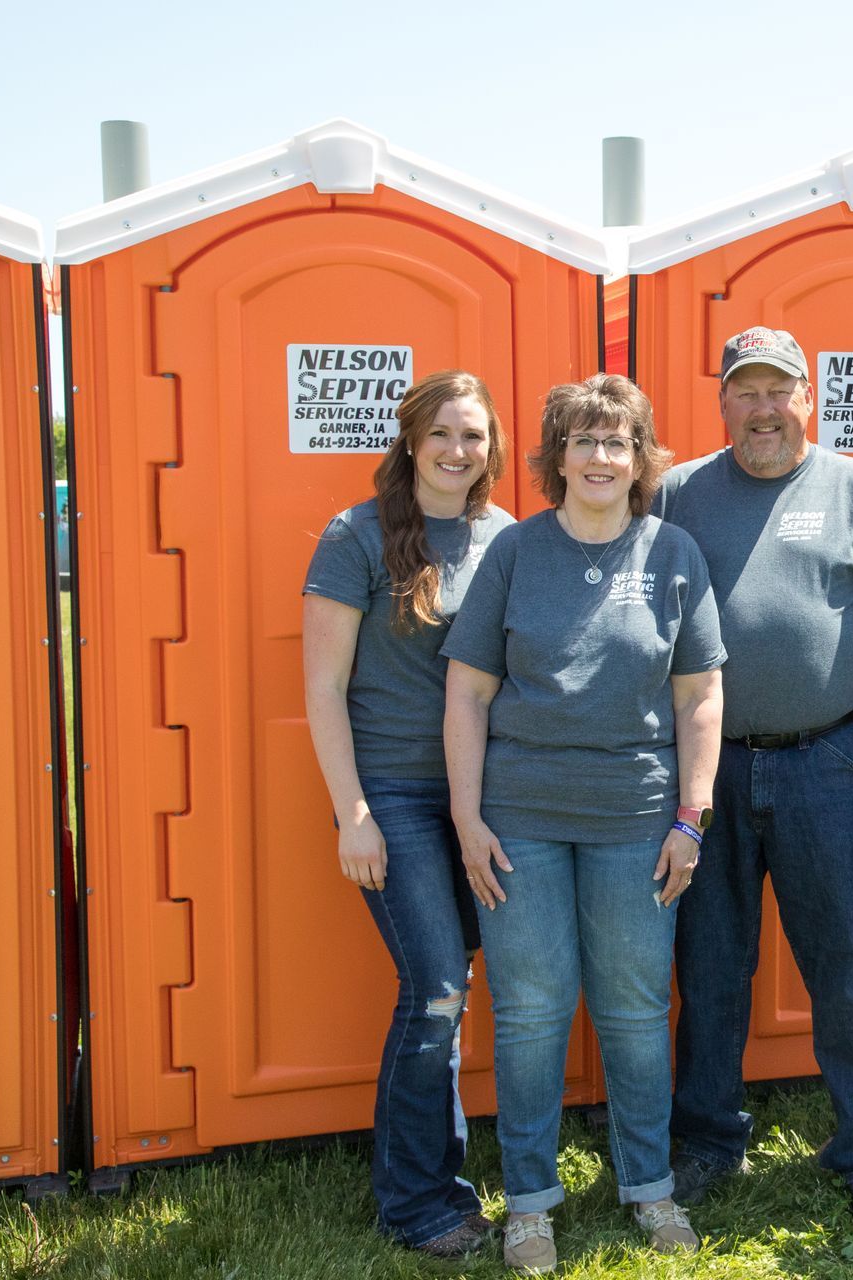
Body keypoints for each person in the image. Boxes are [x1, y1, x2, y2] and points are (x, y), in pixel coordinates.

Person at [441, 374, 726, 1274]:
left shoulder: (673, 551)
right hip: (518, 821)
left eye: (619, 442)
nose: (601, 457)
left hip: (639, 820)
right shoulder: (516, 554)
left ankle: (649, 1185)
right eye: (584, 440)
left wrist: (692, 815)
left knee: (637, 1009)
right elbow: (468, 694)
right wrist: (465, 818)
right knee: (529, 1011)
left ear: (641, 459)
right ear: (555, 456)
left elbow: (701, 695)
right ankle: (529, 1204)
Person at [655, 326, 853, 1227]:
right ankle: (704, 1141)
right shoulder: (679, 492)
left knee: (842, 966)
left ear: (807, 396)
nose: (763, 409)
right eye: (745, 392)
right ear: (722, 401)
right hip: (709, 773)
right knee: (710, 964)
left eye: (780, 390)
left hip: (827, 761)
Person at [301, 369, 516, 1259]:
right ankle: (417, 1199)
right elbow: (322, 686)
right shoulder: (355, 536)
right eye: (442, 434)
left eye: (474, 435)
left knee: (456, 989)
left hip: (488, 799)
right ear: (411, 441)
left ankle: (436, 1167)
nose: (458, 451)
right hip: (393, 796)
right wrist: (353, 812)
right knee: (435, 989)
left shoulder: (506, 536)